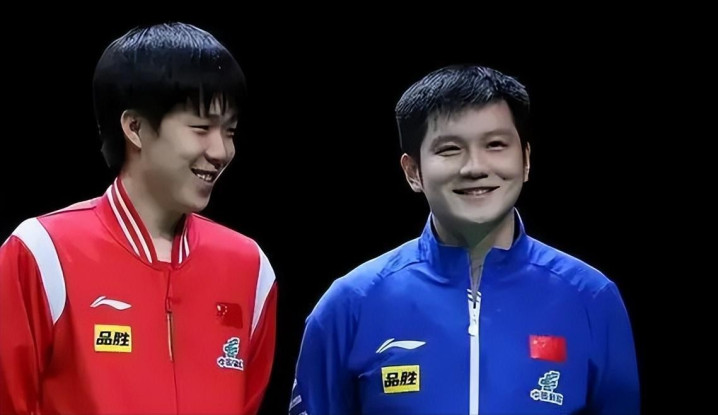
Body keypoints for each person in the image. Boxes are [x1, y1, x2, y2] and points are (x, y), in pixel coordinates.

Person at [288, 65, 639, 415]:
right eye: (450, 149)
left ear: (526, 160)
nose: (475, 167)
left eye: (496, 145)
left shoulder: (590, 298)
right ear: (413, 172)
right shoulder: (350, 305)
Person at [0, 22, 277, 415]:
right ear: (135, 128)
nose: (221, 151)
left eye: (229, 131)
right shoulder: (42, 253)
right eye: (201, 128)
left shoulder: (251, 268)